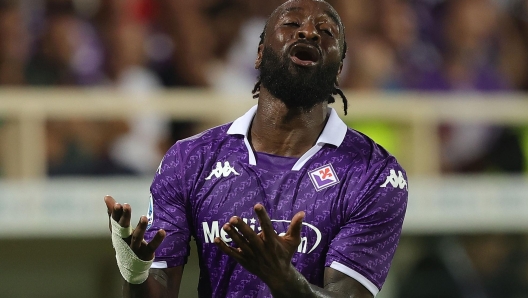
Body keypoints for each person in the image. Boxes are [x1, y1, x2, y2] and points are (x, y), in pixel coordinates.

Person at [104, 0, 408, 297]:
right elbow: (158, 289)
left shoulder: (374, 173)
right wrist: (136, 273)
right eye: (291, 24)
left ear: (339, 67)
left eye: (327, 32)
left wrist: (285, 281)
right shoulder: (190, 159)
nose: (309, 33)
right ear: (260, 53)